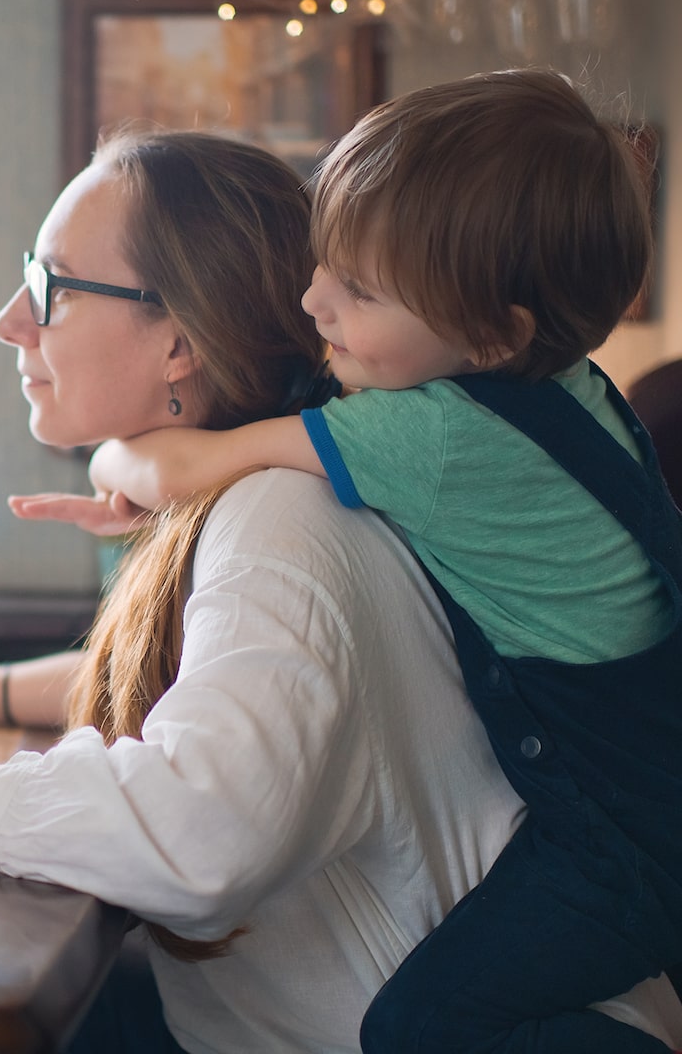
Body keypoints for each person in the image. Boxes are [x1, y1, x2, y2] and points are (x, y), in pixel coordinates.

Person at [0, 127, 682, 1052]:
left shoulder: (282, 522)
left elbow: (196, 832)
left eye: (50, 282)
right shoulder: (280, 496)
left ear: (180, 342)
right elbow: (207, 687)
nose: (9, 319)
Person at [56, 70, 682, 1052]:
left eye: (361, 289)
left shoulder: (429, 438)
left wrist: (113, 465)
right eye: (324, 264)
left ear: (492, 333)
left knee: (415, 1025)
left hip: (621, 829)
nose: (315, 302)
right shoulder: (571, 388)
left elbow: (190, 460)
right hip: (642, 782)